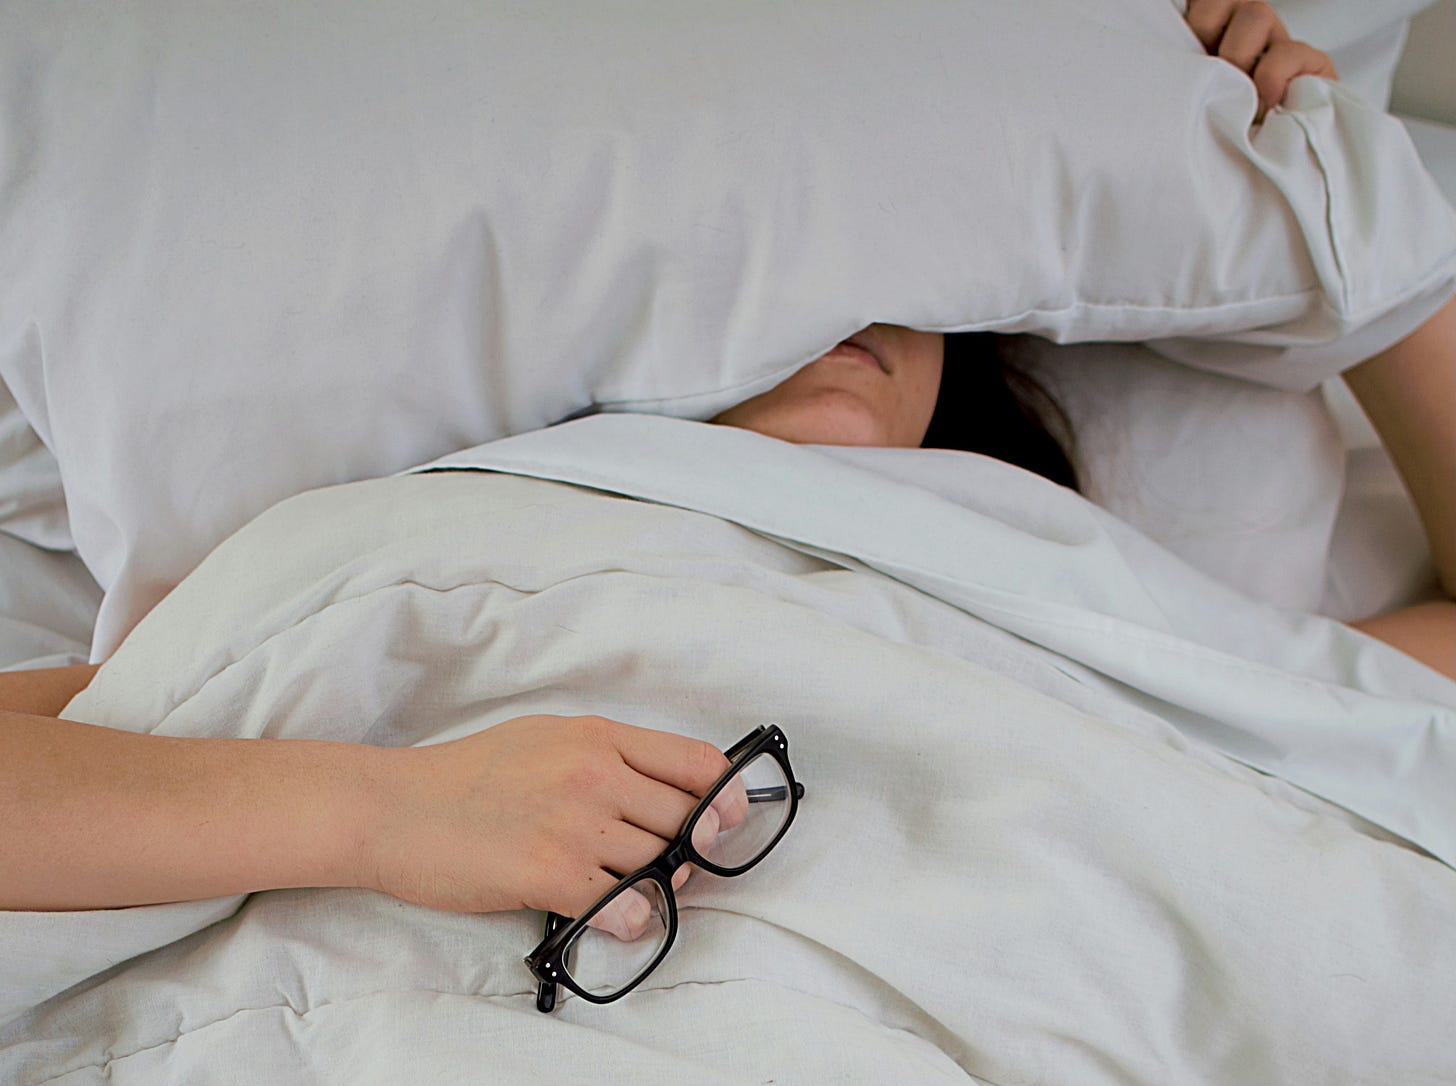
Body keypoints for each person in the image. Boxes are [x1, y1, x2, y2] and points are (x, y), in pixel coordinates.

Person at [0, 2, 1448, 930]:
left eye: (899, 276)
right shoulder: (456, 549)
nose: (842, 316)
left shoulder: (1063, 587)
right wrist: (387, 810)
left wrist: (1328, 191)